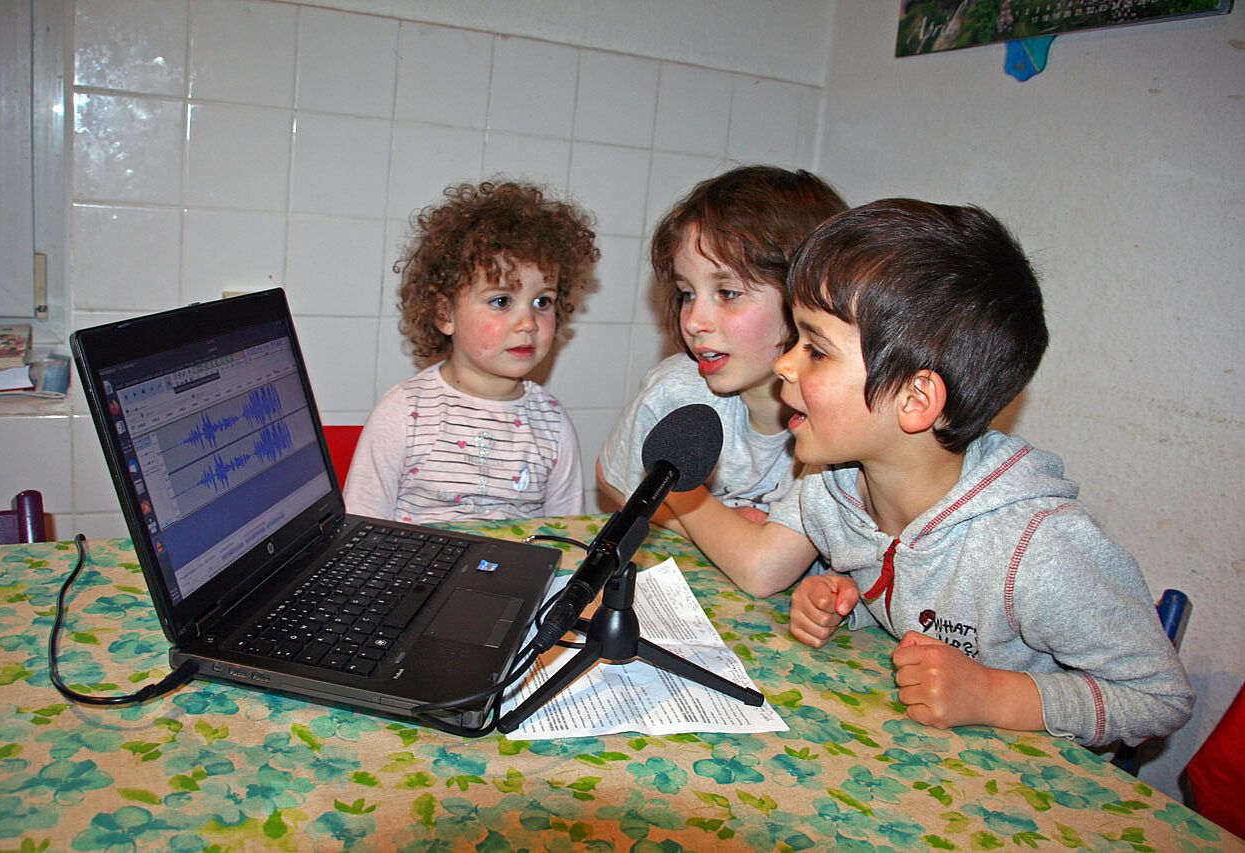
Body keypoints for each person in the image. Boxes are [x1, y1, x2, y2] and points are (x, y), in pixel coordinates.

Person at [679, 198, 1193, 747]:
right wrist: (838, 599)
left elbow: (1161, 699)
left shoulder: (1036, 551)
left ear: (916, 398)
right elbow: (910, 597)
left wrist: (994, 695)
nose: (784, 363)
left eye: (817, 351)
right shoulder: (828, 491)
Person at [596, 165, 847, 593]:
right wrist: (724, 524)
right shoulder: (677, 390)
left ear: (806, 299)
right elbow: (612, 477)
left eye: (727, 293)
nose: (694, 321)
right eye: (687, 293)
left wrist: (678, 497)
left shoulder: (837, 428)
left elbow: (764, 570)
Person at [344, 180, 599, 523]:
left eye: (543, 302)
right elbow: (359, 530)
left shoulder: (552, 425)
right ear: (445, 313)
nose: (528, 323)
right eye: (501, 301)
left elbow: (569, 536)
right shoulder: (403, 413)